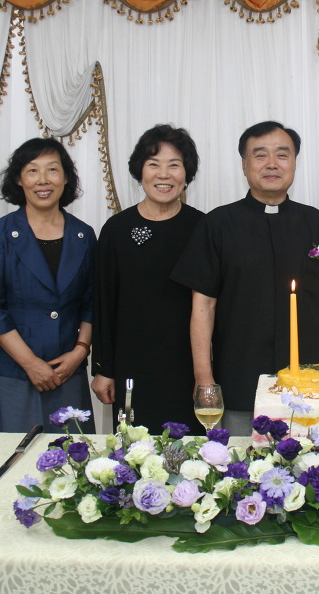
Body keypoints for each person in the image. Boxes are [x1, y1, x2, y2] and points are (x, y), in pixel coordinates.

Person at [172, 121, 319, 436]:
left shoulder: (316, 223)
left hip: (309, 385)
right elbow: (203, 307)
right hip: (239, 383)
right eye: (260, 155)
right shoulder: (218, 225)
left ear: (294, 162)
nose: (272, 164)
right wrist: (204, 380)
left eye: (282, 155)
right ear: (244, 165)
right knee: (237, 463)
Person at [0, 138, 96, 434]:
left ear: (65, 177)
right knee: (12, 458)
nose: (43, 180)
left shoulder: (83, 235)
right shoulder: (0, 233)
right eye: (32, 170)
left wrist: (80, 352)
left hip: (67, 372)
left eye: (52, 169)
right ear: (19, 179)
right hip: (13, 374)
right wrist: (30, 363)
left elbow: (92, 303)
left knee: (72, 458)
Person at [91, 125, 204, 433]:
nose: (163, 174)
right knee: (134, 452)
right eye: (154, 164)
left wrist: (208, 374)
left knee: (188, 450)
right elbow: (103, 304)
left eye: (174, 165)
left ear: (186, 173)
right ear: (140, 171)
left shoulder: (202, 228)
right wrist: (103, 369)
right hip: (130, 365)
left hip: (187, 367)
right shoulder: (116, 229)